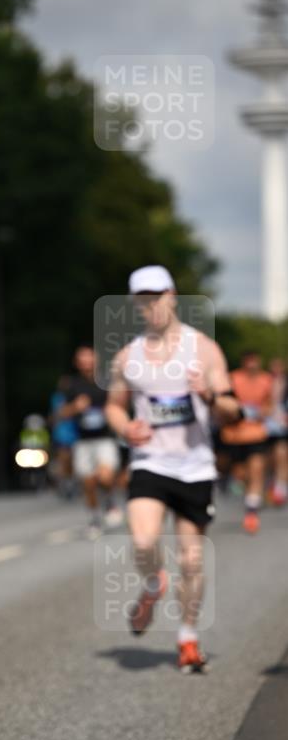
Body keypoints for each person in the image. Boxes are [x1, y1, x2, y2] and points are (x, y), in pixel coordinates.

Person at [105, 266, 241, 673]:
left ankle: (187, 637)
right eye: (143, 301)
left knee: (192, 560)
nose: (152, 306)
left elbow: (234, 412)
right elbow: (113, 405)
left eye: (157, 297)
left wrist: (211, 395)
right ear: (136, 305)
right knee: (144, 541)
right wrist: (125, 426)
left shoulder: (203, 350)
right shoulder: (128, 356)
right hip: (151, 462)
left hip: (195, 466)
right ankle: (152, 582)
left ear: (173, 296)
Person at [59, 345, 123, 535]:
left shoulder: (107, 382)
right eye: (82, 359)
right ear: (77, 363)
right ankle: (94, 518)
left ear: (96, 360)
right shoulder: (72, 385)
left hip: (105, 438)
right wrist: (76, 407)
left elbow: (120, 405)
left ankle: (110, 501)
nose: (86, 362)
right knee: (88, 483)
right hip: (83, 441)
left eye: (89, 358)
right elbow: (62, 412)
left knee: (105, 476)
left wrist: (110, 411)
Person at [219, 351, 274, 533]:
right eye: (249, 362)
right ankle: (227, 480)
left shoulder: (266, 380)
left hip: (257, 434)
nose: (252, 365)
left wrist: (264, 412)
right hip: (233, 435)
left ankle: (251, 512)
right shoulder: (233, 378)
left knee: (257, 469)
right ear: (244, 363)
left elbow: (270, 404)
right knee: (239, 473)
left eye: (255, 362)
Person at [48, 374, 79, 498]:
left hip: (76, 432)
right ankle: (65, 483)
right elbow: (57, 413)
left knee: (73, 461)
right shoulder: (57, 397)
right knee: (63, 459)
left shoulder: (75, 396)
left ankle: (72, 482)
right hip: (62, 433)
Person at [266, 357, 288, 507]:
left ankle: (281, 488)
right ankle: (270, 484)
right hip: (265, 424)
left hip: (282, 424)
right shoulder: (265, 382)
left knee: (282, 456)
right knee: (268, 458)